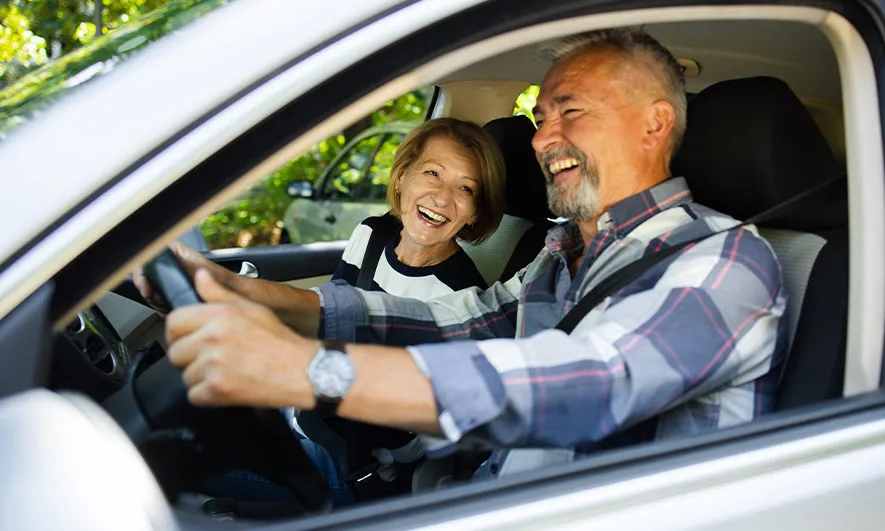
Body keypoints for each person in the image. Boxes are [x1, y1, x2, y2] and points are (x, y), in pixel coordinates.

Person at [139, 28, 786, 480]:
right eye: (540, 115)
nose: (543, 138)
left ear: (653, 123)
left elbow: (590, 381)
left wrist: (306, 369)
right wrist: (241, 291)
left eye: (571, 111)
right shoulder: (562, 253)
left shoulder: (724, 259)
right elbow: (451, 321)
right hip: (495, 486)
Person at [332, 117, 504, 297]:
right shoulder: (369, 233)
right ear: (401, 177)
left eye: (465, 188)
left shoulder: (464, 299)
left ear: (475, 213)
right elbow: (326, 312)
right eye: (433, 173)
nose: (442, 199)